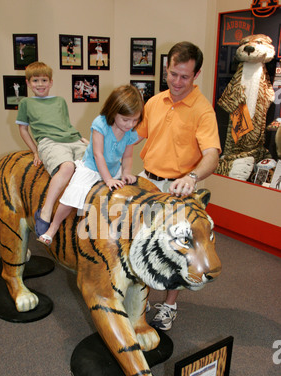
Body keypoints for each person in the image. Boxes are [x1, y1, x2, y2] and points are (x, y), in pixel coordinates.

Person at [136, 41, 221, 331]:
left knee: (176, 251)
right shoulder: (154, 102)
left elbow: (212, 155)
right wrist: (99, 146)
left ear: (196, 74)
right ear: (167, 68)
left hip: (179, 190)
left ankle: (169, 305)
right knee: (141, 243)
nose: (177, 82)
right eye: (173, 74)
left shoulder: (202, 110)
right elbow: (134, 136)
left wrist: (193, 177)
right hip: (147, 183)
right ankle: (142, 295)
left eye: (184, 76)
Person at [38, 84, 144, 246]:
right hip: (91, 168)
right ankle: (53, 227)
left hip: (113, 170)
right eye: (126, 120)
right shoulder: (100, 124)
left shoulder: (130, 132)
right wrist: (108, 179)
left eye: (135, 120)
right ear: (113, 112)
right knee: (70, 198)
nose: (130, 124)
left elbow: (128, 156)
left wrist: (126, 172)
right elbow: (98, 154)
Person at [16, 61, 88, 237]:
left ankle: (85, 210)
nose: (40, 84)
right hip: (50, 142)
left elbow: (66, 124)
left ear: (51, 82)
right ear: (28, 83)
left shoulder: (60, 101)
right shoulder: (26, 103)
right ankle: (46, 211)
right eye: (35, 80)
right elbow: (23, 129)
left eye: (44, 80)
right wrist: (35, 150)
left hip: (72, 139)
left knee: (94, 165)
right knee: (68, 167)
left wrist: (81, 138)